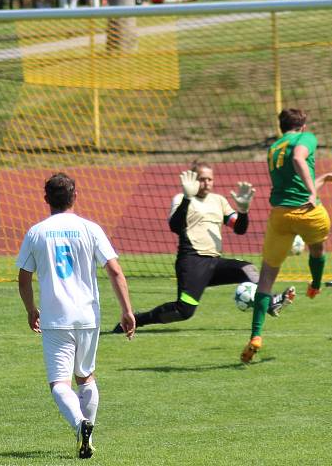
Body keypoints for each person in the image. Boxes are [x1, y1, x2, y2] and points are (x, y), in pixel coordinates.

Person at [17, 173, 135, 460]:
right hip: (88, 316)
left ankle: (80, 424)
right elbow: (115, 270)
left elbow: (23, 276)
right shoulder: (90, 229)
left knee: (59, 384)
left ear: (46, 199)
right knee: (86, 377)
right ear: (75, 196)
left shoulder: (37, 232)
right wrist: (127, 310)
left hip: (56, 318)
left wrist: (31, 309)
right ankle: (88, 436)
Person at [113, 160, 295, 333]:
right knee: (183, 311)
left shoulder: (219, 200)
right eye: (202, 179)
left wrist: (243, 211)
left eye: (210, 179)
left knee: (248, 269)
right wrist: (186, 197)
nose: (206, 183)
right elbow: (174, 226)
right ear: (193, 179)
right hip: (192, 262)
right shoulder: (180, 198)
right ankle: (136, 320)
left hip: (214, 263)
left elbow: (239, 229)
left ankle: (271, 302)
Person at [240, 108, 332, 364]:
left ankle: (256, 335)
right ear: (303, 124)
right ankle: (315, 285)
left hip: (280, 215)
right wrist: (313, 190)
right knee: (317, 249)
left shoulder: (274, 148)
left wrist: (322, 179)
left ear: (281, 126)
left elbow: (290, 187)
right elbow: (299, 159)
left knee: (266, 276)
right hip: (308, 213)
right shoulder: (305, 138)